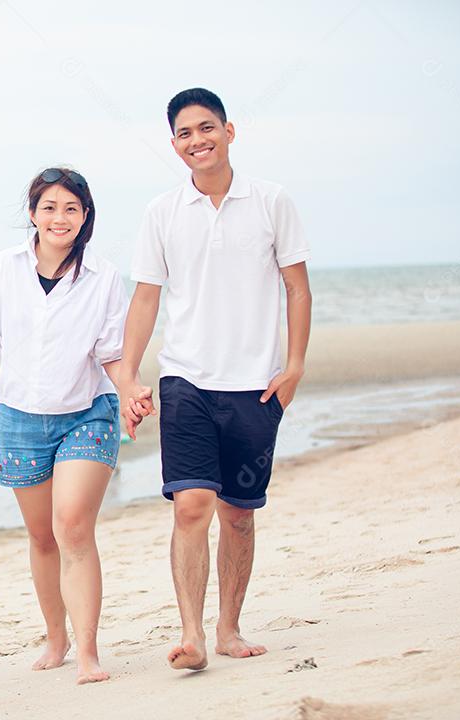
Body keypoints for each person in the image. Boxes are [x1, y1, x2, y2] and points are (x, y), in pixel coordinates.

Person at [117, 88, 313, 671]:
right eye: (184, 133)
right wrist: (128, 375)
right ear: (174, 145)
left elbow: (297, 288)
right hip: (186, 379)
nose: (197, 140)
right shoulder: (161, 212)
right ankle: (192, 635)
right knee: (190, 505)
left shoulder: (272, 201)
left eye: (207, 127)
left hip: (256, 383)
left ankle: (229, 628)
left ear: (230, 131)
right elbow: (146, 299)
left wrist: (295, 364)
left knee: (239, 512)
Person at [0, 167, 146, 685]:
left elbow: (111, 352)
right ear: (33, 213)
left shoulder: (103, 277)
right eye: (50, 207)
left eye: (72, 209)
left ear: (86, 218)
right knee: (41, 537)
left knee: (73, 525)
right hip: (18, 418)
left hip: (87, 414)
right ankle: (55, 638)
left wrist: (130, 390)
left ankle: (87, 653)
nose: (61, 218)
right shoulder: (4, 268)